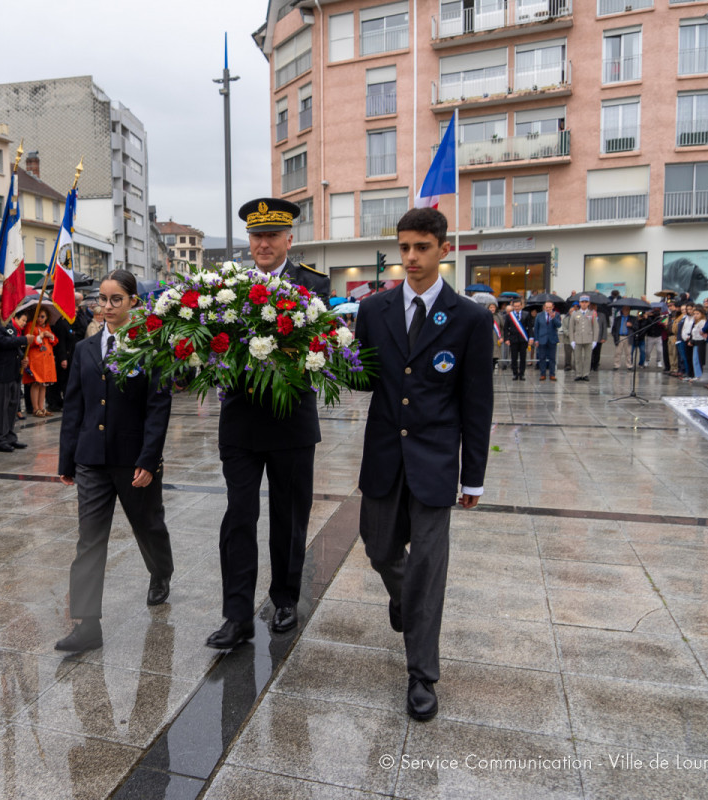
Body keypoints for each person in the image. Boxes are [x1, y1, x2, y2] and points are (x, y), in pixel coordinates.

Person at [354, 207, 493, 722]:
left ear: (442, 250)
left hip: (435, 462)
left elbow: (478, 404)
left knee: (430, 569)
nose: (410, 258)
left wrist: (472, 474)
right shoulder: (375, 310)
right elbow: (365, 379)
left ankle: (422, 675)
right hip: (385, 457)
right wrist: (325, 360)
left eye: (421, 248)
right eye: (404, 248)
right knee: (379, 547)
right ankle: (404, 596)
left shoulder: (470, 319)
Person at [207, 197, 330, 650]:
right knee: (239, 517)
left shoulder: (310, 285)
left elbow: (313, 346)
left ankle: (284, 600)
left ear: (288, 239)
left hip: (291, 422)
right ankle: (236, 615)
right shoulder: (224, 286)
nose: (263, 243)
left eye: (272, 235)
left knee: (289, 517)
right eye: (256, 236)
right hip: (240, 422)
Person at [55, 269, 174, 653]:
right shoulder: (85, 350)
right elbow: (74, 407)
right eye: (101, 300)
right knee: (90, 539)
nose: (106, 307)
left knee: (148, 524)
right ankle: (87, 625)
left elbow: (158, 408)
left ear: (133, 302)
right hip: (92, 458)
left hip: (133, 458)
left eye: (115, 299)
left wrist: (149, 458)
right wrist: (67, 460)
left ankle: (160, 571)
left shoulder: (151, 345)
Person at [0, 294, 34, 452]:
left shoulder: (6, 322)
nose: (1, 310)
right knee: (0, 407)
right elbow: (2, 342)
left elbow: (12, 342)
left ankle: (10, 435)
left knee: (12, 405)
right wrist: (24, 340)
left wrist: (21, 359)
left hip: (13, 371)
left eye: (2, 307)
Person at [23, 308, 58, 417]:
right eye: (38, 316)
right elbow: (28, 341)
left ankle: (42, 407)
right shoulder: (30, 325)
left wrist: (50, 335)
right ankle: (35, 408)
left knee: (44, 384)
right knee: (36, 383)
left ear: (47, 317)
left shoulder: (47, 327)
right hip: (36, 359)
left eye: (42, 316)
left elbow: (55, 341)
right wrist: (40, 337)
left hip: (46, 360)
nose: (39, 319)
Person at [566, 295, 598, 381]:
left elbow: (595, 327)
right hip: (578, 339)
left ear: (588, 303)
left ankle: (586, 374)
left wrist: (595, 340)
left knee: (588, 357)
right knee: (577, 357)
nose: (584, 304)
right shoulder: (575, 314)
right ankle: (579, 374)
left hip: (588, 338)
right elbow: (571, 328)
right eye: (582, 302)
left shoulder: (592, 314)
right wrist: (572, 340)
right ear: (579, 303)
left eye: (586, 302)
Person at [531, 300, 561, 381]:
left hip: (552, 339)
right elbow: (536, 328)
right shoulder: (539, 315)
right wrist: (536, 340)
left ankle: (552, 374)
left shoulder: (556, 314)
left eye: (550, 307)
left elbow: (559, 325)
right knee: (542, 357)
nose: (548, 309)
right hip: (542, 339)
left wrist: (553, 318)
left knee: (552, 358)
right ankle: (542, 374)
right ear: (544, 307)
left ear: (553, 307)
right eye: (547, 307)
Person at [503, 298, 531, 381]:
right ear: (513, 306)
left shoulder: (526, 314)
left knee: (523, 358)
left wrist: (531, 338)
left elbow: (529, 327)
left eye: (518, 306)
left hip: (523, 339)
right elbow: (505, 329)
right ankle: (515, 373)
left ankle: (522, 374)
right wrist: (506, 339)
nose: (517, 308)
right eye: (515, 306)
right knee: (514, 358)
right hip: (513, 339)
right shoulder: (509, 316)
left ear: (521, 306)